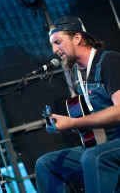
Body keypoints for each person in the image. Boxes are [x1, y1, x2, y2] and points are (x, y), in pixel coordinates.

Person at [35, 16, 120, 193]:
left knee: (92, 157)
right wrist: (63, 122)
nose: (54, 50)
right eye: (52, 45)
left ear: (77, 38)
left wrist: (74, 123)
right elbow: (80, 112)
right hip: (103, 144)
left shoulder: (109, 61)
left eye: (58, 42)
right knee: (45, 164)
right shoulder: (77, 74)